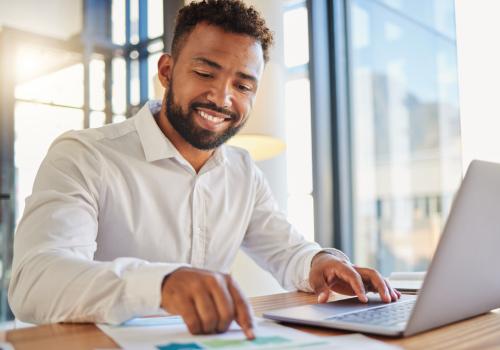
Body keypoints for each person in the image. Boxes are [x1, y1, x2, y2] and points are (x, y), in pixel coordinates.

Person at [8, 0, 400, 340]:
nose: (222, 97)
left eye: (243, 85)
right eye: (205, 72)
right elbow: (35, 283)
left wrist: (320, 264)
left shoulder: (243, 171)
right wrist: (161, 283)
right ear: (166, 71)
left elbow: (287, 249)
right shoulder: (84, 155)